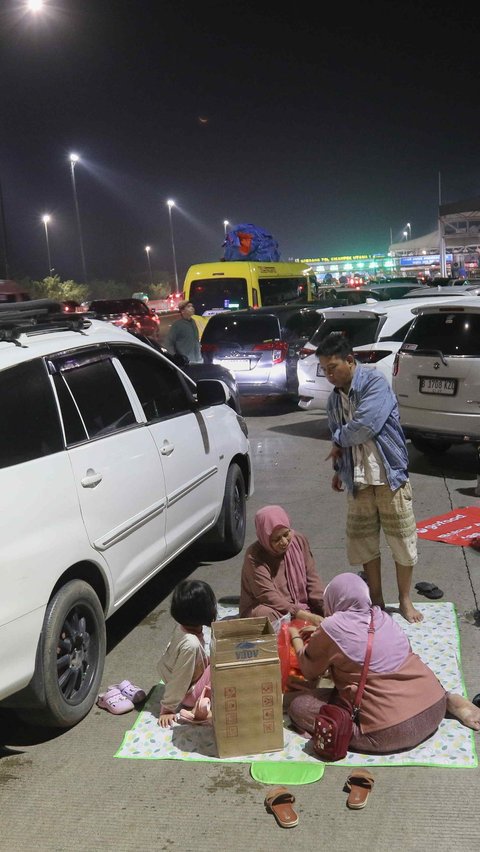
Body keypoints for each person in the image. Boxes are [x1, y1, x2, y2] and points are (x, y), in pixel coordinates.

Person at [287, 573, 480, 753]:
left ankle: (365, 726)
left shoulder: (331, 627)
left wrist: (295, 637)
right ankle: (450, 700)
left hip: (392, 731)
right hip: (435, 705)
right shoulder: (381, 617)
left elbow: (309, 669)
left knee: (299, 706)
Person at [316, 331, 422, 623]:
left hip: (389, 475)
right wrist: (340, 472)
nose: (329, 375)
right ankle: (376, 599)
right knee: (364, 542)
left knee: (401, 540)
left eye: (333, 368)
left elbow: (365, 426)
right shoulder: (334, 401)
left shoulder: (375, 383)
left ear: (350, 361)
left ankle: (404, 599)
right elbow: (341, 445)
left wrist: (338, 439)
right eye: (324, 370)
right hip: (359, 480)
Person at [239, 505, 325, 625]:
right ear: (265, 538)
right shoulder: (254, 556)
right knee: (265, 615)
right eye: (276, 539)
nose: (284, 542)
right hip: (273, 607)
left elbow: (312, 578)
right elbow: (267, 596)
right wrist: (303, 615)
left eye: (286, 534)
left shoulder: (299, 541)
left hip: (301, 607)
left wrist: (323, 605)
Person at [157, 579, 217, 727]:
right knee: (222, 665)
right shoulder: (190, 644)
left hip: (188, 681)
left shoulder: (183, 627)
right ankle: (198, 710)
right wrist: (168, 708)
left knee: (218, 657)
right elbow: (180, 677)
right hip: (188, 693)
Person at [165, 300, 202, 364]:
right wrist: (175, 357)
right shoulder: (177, 325)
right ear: (182, 311)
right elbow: (169, 343)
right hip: (186, 362)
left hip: (198, 359)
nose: (192, 308)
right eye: (188, 306)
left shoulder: (193, 322)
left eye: (192, 306)